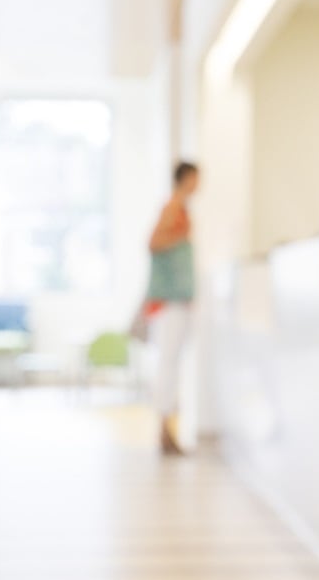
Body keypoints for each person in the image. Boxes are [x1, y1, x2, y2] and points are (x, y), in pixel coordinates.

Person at [143, 161, 199, 455]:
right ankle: (164, 430)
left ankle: (167, 429)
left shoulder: (181, 209)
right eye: (195, 178)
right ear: (186, 179)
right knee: (168, 364)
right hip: (169, 303)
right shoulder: (173, 208)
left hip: (177, 302)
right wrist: (180, 236)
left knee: (172, 365)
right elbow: (152, 243)